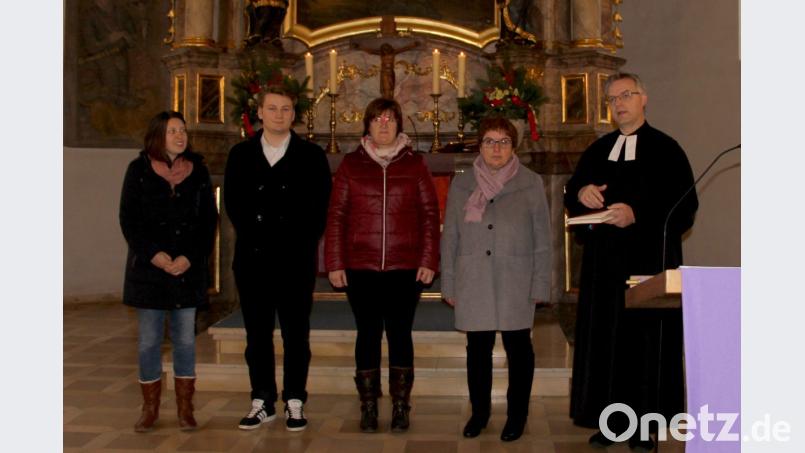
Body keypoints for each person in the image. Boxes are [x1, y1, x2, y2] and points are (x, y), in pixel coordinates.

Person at [565, 73, 698, 451]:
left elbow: (685, 207)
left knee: (645, 345)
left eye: (626, 95)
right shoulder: (597, 149)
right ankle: (610, 423)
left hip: (648, 264)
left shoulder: (667, 149)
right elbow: (573, 195)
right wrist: (582, 192)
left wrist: (637, 214)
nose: (619, 103)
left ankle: (645, 426)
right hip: (603, 267)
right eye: (612, 99)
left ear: (644, 98)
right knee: (606, 344)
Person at [324, 98, 440, 433]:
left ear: (399, 125)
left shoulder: (415, 164)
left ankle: (402, 406)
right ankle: (369, 406)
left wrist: (428, 259)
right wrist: (335, 261)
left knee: (401, 334)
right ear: (368, 125)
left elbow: (430, 215)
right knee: (369, 334)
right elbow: (337, 216)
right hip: (362, 266)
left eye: (390, 119)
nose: (384, 125)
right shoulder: (351, 164)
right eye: (377, 120)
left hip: (406, 267)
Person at [224, 85, 332, 432]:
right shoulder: (240, 154)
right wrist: (260, 239)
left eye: (286, 109)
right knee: (257, 334)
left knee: (296, 334)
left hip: (294, 260)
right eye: (273, 109)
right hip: (253, 259)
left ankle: (295, 399)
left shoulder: (311, 156)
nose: (279, 115)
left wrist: (294, 243)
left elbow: (318, 210)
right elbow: (235, 206)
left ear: (294, 114)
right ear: (260, 113)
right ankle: (262, 399)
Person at [440, 117, 552, 442]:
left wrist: (540, 283)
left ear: (513, 147)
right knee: (478, 348)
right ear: (480, 145)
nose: (496, 148)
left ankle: (517, 415)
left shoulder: (530, 182)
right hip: (473, 276)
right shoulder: (462, 184)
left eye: (504, 142)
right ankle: (480, 413)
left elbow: (543, 238)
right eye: (490, 141)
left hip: (516, 277)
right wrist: (449, 282)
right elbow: (451, 238)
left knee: (519, 349)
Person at [119, 111, 218, 433]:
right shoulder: (139, 170)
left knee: (185, 341)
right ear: (158, 135)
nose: (180, 135)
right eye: (173, 130)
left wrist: (190, 257)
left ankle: (185, 409)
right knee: (149, 341)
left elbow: (208, 222)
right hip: (150, 271)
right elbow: (129, 220)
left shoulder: (198, 171)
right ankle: (149, 408)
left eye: (183, 130)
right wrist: (153, 255)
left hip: (186, 271)